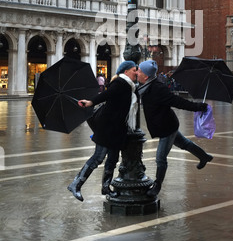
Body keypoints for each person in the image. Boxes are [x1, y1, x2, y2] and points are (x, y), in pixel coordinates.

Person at [137, 59, 213, 197]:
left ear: (146, 76)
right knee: (184, 143)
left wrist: (197, 107)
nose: (137, 72)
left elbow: (177, 102)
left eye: (140, 71)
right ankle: (204, 156)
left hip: (167, 126)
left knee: (160, 158)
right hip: (162, 126)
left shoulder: (158, 88)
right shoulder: (143, 87)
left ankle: (157, 185)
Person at [67, 60, 138, 202]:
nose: (136, 72)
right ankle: (75, 184)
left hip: (118, 129)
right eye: (134, 70)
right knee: (98, 157)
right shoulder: (120, 83)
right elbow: (106, 94)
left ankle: (106, 188)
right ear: (125, 72)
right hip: (107, 127)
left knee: (112, 159)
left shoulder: (130, 87)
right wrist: (91, 102)